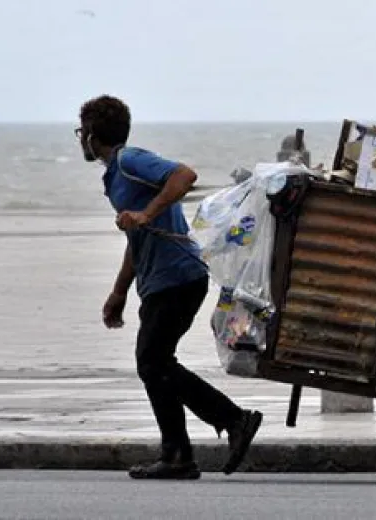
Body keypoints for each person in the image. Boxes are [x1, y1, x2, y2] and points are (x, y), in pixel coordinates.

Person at [76, 94, 262, 480]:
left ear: (93, 136)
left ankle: (231, 421)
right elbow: (137, 238)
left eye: (82, 132)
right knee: (155, 364)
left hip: (178, 276)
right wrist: (119, 291)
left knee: (152, 362)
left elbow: (184, 176)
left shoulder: (129, 160)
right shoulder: (115, 176)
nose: (81, 139)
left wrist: (146, 212)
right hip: (160, 281)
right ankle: (179, 453)